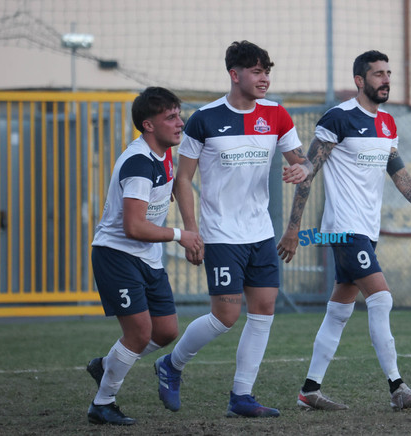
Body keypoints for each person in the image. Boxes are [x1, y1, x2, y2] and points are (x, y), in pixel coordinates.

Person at [277, 50, 411, 411]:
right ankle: (398, 388)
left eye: (388, 73)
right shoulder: (338, 118)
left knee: (339, 312)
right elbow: (308, 170)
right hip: (344, 230)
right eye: (378, 74)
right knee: (382, 298)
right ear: (360, 81)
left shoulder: (389, 124)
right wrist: (293, 228)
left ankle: (309, 390)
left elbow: (401, 177)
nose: (386, 79)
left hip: (365, 230)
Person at [154, 40, 311, 418]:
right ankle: (171, 365)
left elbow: (302, 164)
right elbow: (183, 178)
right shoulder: (204, 119)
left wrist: (301, 170)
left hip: (260, 232)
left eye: (267, 72)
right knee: (225, 316)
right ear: (234, 74)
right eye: (257, 72)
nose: (264, 79)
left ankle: (242, 396)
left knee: (264, 310)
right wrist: (191, 231)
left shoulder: (276, 115)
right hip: (221, 233)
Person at [85, 87, 203, 425]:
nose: (180, 122)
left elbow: (179, 183)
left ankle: (107, 365)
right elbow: (134, 226)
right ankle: (102, 403)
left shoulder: (164, 152)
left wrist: (191, 230)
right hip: (117, 254)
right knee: (138, 333)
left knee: (165, 331)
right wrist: (183, 235)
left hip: (147, 256)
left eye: (179, 114)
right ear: (148, 125)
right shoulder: (138, 163)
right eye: (171, 117)